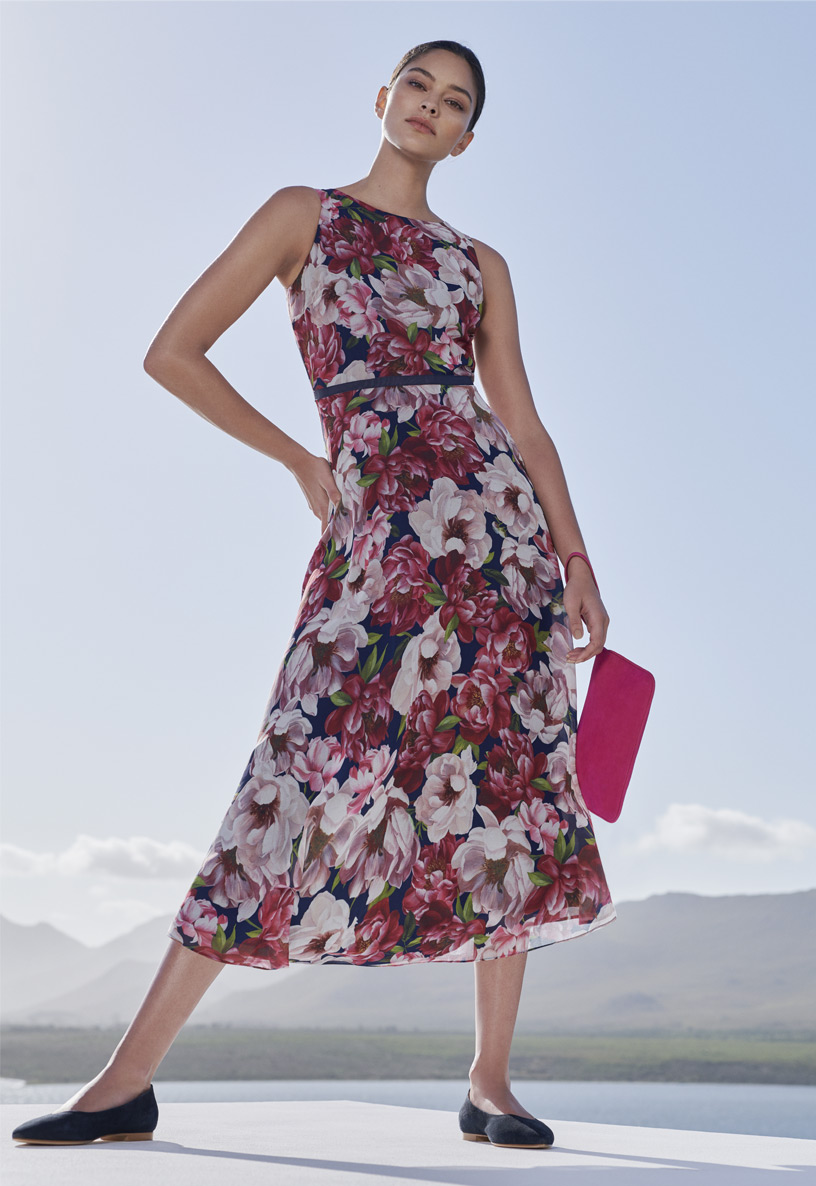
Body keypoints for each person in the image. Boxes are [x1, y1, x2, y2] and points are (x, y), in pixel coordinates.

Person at [12, 38, 615, 1152]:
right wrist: (300, 459)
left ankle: (491, 1081)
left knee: (505, 789)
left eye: (457, 103)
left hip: (497, 547)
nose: (433, 109)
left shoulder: (481, 263)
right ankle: (126, 1078)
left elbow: (523, 423)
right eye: (419, 89)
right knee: (293, 767)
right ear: (382, 99)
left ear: (470, 137)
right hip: (374, 539)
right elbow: (174, 350)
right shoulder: (307, 216)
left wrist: (576, 562)